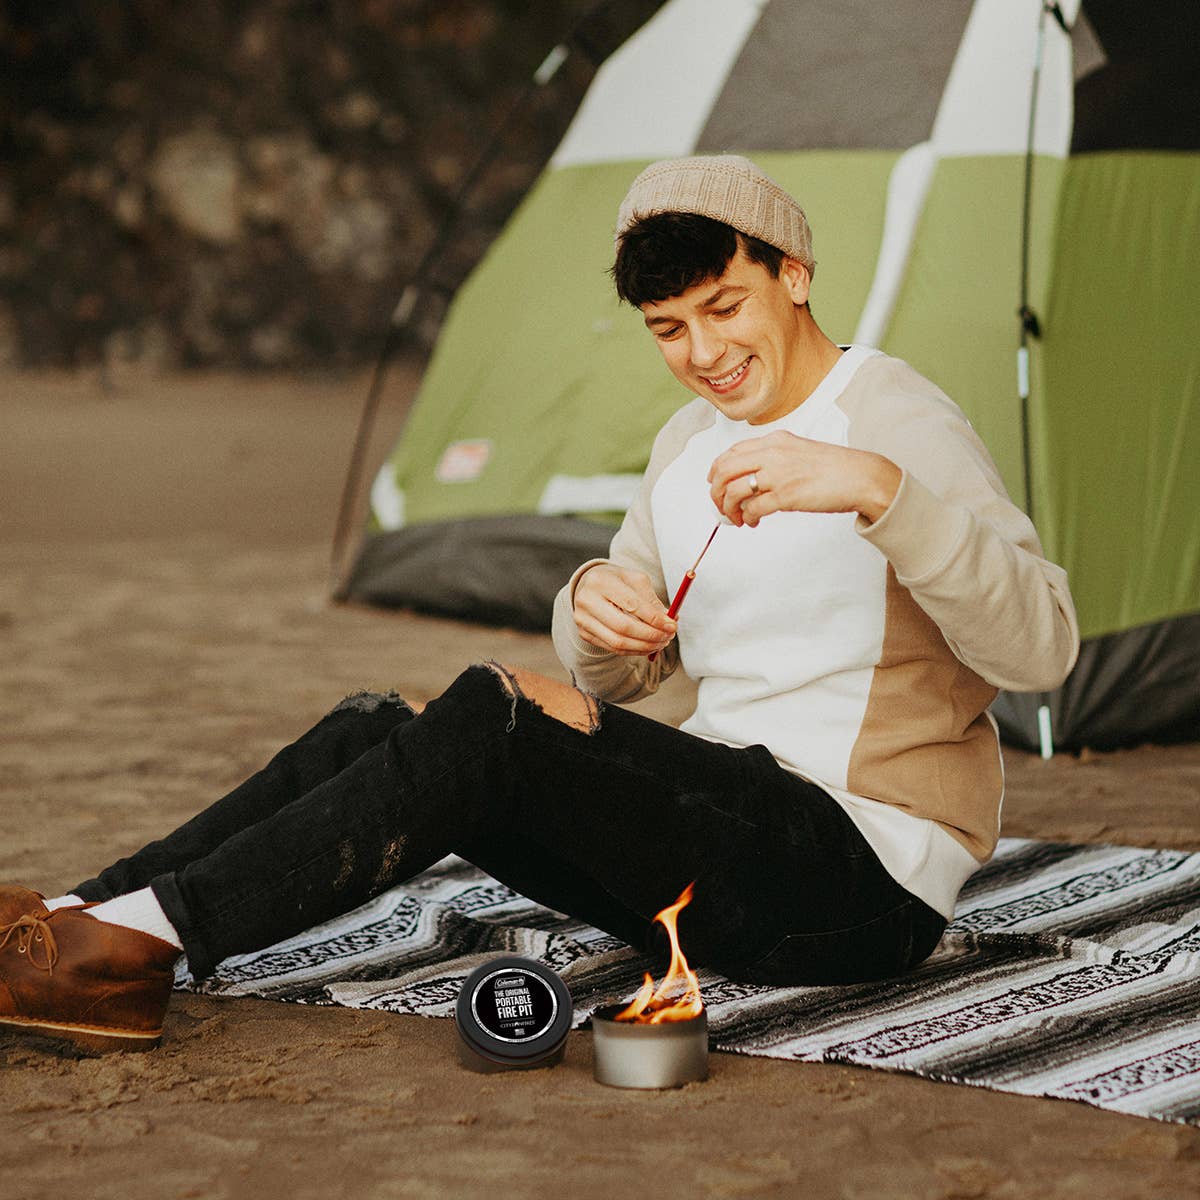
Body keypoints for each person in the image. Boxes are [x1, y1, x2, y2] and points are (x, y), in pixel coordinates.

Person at [0, 155, 1079, 1053]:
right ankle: (80, 918)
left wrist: (881, 493)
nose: (703, 354)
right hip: (727, 835)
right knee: (380, 729)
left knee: (491, 719)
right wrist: (593, 606)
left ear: (793, 273)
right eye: (668, 329)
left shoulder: (895, 415)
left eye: (725, 308)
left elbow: (1041, 647)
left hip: (860, 874)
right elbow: (615, 678)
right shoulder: (681, 449)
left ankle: (144, 946)